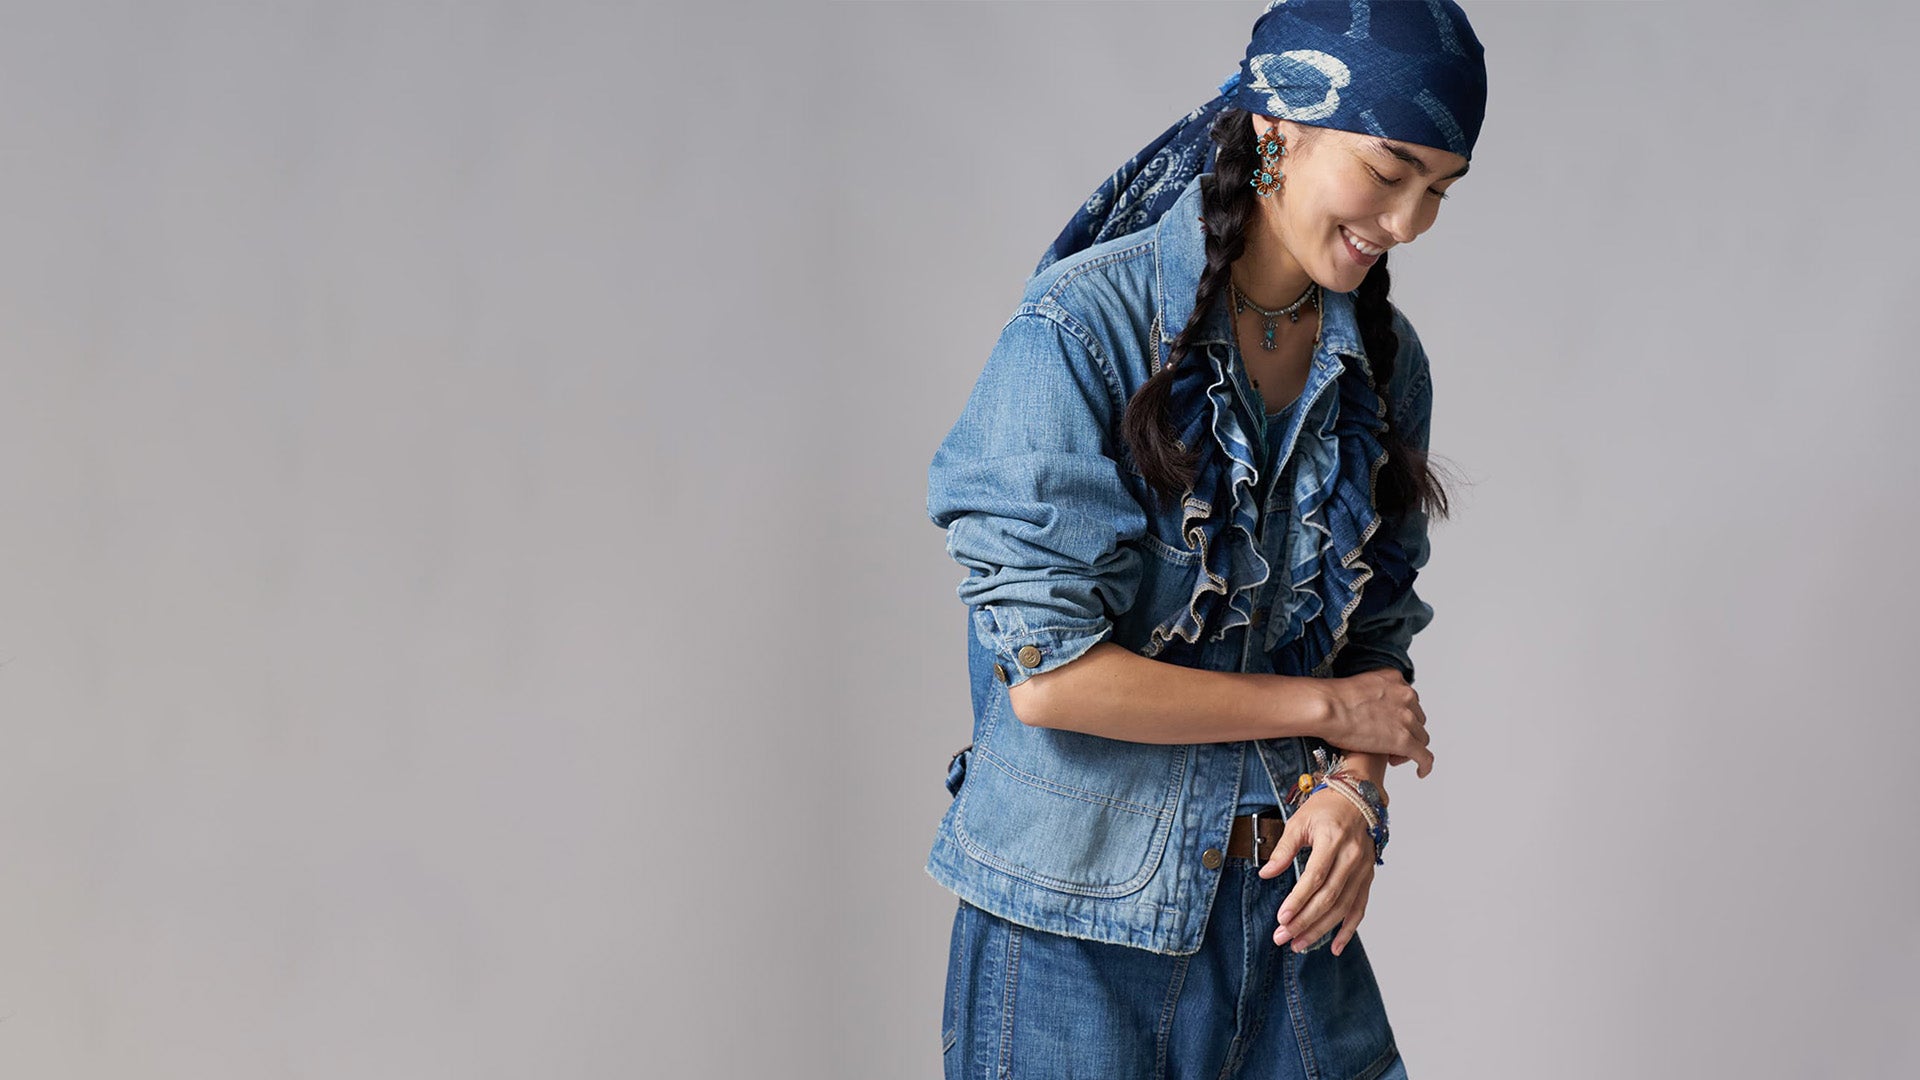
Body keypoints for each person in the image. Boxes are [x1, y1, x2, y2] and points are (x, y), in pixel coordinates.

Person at [923, 2, 1489, 1077]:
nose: (1409, 223)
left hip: (1284, 923)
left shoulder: (1384, 362)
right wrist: (1326, 714)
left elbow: (1374, 646)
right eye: (1390, 171)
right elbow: (1052, 679)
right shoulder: (1081, 328)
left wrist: (1355, 789)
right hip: (1072, 936)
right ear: (1278, 125)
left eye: (1439, 191)